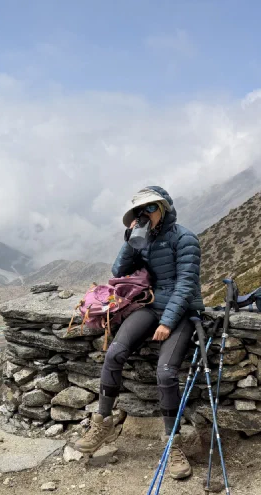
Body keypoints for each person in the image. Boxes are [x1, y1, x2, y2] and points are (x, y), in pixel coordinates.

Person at [75, 186, 204, 479]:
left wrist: (168, 322)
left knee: (167, 372)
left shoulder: (185, 239)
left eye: (148, 209)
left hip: (182, 312)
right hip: (151, 305)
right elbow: (119, 271)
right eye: (138, 212)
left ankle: (173, 444)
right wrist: (131, 240)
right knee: (115, 352)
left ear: (163, 208)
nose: (143, 215)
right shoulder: (143, 238)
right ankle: (103, 424)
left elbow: (186, 286)